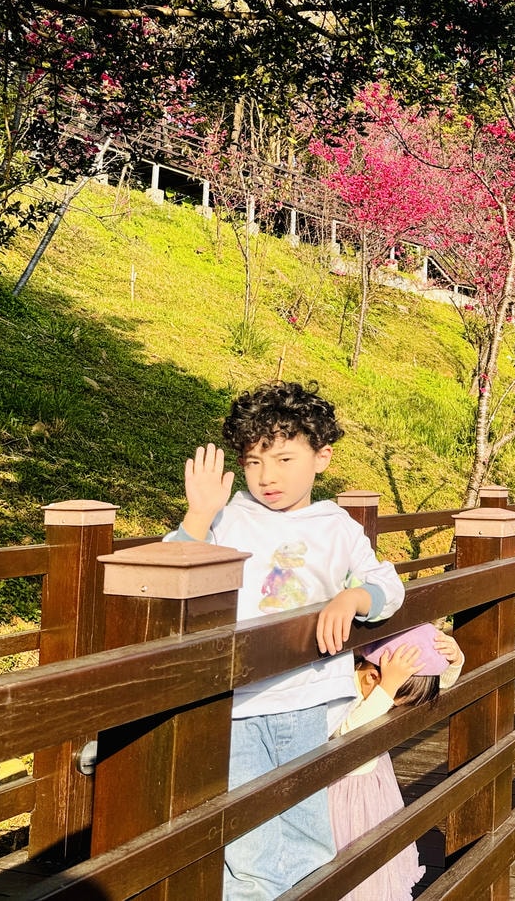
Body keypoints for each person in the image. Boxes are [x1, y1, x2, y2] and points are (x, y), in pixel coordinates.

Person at [166, 381, 406, 901]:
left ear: (322, 458)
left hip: (309, 699)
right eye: (253, 462)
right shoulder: (229, 517)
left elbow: (388, 584)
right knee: (244, 842)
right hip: (237, 704)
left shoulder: (336, 525)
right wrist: (199, 515)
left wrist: (352, 599)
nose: (266, 476)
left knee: (305, 834)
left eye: (282, 459)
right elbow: (169, 574)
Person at [329, 624, 464, 901]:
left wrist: (455, 661)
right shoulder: (344, 690)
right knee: (351, 870)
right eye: (393, 703)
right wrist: (387, 689)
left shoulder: (375, 682)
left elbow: (439, 684)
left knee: (378, 865)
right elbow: (348, 742)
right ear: (373, 677)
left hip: (374, 794)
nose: (392, 708)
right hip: (341, 801)